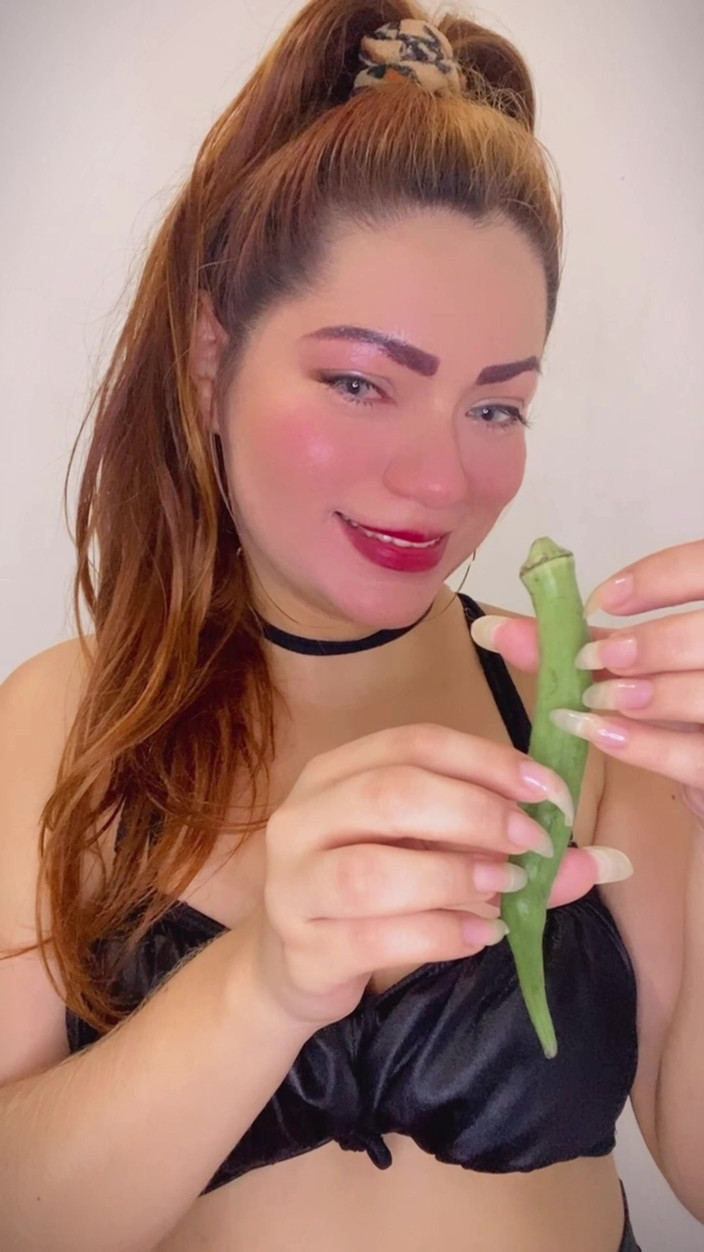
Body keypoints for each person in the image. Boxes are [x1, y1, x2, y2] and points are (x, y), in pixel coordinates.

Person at [0, 2, 702, 1248]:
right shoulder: (63, 724)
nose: (440, 481)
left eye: (495, 406)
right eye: (360, 381)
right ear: (210, 360)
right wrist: (264, 978)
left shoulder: (588, 713)